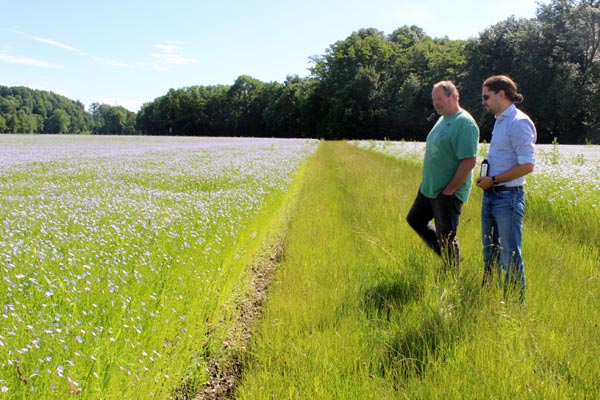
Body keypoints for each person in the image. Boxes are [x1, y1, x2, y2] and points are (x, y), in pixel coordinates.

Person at [407, 81, 479, 272]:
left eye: (439, 98)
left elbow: (469, 161)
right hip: (429, 188)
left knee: (446, 236)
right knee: (415, 219)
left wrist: (449, 191)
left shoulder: (464, 123)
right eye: (434, 100)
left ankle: (451, 275)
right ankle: (452, 259)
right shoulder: (443, 119)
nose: (436, 103)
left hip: (447, 192)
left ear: (453, 96)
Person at [476, 75, 536, 301]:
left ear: (501, 94)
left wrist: (495, 180)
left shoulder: (519, 122)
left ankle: (514, 305)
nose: (483, 102)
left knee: (509, 254)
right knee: (489, 251)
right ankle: (488, 299)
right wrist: (488, 179)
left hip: (508, 198)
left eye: (486, 97)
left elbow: (527, 166)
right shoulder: (500, 120)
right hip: (492, 195)